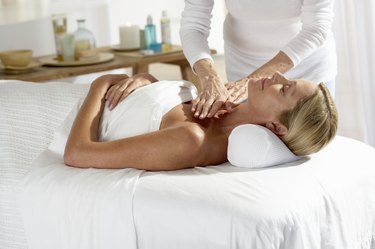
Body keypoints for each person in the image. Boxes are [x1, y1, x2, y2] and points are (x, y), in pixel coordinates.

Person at [64, 72, 337, 171]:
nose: (277, 75)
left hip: (61, 113)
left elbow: (77, 154)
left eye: (285, 89)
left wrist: (103, 82)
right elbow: (150, 113)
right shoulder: (219, 106)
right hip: (84, 102)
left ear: (277, 127)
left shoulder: (193, 140)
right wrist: (146, 79)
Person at [180, 0, 337, 119]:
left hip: (307, 69)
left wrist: (251, 80)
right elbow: (193, 26)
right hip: (243, 68)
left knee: (307, 150)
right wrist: (210, 78)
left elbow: (316, 28)